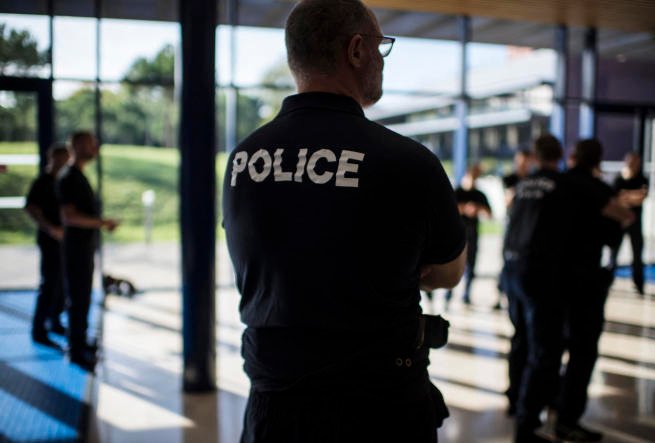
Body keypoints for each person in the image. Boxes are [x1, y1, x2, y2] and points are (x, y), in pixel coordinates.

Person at [222, 1, 467, 441]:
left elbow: (262, 260)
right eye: (380, 46)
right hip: (379, 408)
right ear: (356, 50)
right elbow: (449, 272)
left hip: (274, 407)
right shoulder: (406, 161)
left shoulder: (243, 158)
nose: (381, 59)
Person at [554, 139, 634, 442]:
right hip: (586, 282)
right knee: (582, 352)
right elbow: (620, 226)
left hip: (552, 280)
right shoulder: (599, 191)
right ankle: (567, 418)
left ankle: (547, 406)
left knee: (549, 348)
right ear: (598, 161)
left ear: (573, 156)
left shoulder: (557, 184)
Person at [503, 135, 569, 442]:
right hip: (540, 273)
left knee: (520, 339)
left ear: (535, 155)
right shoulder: (562, 185)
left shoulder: (523, 185)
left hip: (513, 269)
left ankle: (515, 400)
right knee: (544, 348)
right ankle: (527, 424)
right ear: (560, 155)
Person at [57, 131, 119, 371]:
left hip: (84, 247)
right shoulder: (68, 177)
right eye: (92, 144)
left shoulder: (78, 176)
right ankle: (75, 350)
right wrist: (102, 223)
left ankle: (80, 343)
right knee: (77, 297)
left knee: (83, 297)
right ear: (80, 146)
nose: (96, 148)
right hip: (75, 248)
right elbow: (69, 217)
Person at [25, 143, 70, 349]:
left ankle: (55, 321)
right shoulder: (43, 182)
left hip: (63, 240)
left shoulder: (62, 182)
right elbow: (31, 208)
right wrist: (50, 228)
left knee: (61, 283)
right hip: (49, 239)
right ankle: (39, 329)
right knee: (49, 283)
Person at [445, 164, 492, 306]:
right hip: (457, 235)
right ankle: (449, 294)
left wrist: (478, 209)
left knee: (471, 265)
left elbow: (489, 214)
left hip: (473, 235)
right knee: (452, 264)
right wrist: (464, 209)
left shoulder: (480, 195)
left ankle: (466, 295)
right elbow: (447, 211)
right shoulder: (456, 192)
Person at [494, 148, 532, 310]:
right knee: (507, 259)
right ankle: (501, 293)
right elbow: (506, 201)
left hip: (526, 224)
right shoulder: (510, 179)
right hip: (512, 223)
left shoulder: (532, 179)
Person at [609, 151, 648, 295]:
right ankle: (608, 281)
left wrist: (626, 195)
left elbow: (641, 197)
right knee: (614, 255)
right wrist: (633, 196)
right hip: (620, 222)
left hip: (636, 223)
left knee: (637, 256)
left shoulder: (642, 178)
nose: (633, 164)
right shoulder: (619, 178)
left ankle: (639, 285)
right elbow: (616, 198)